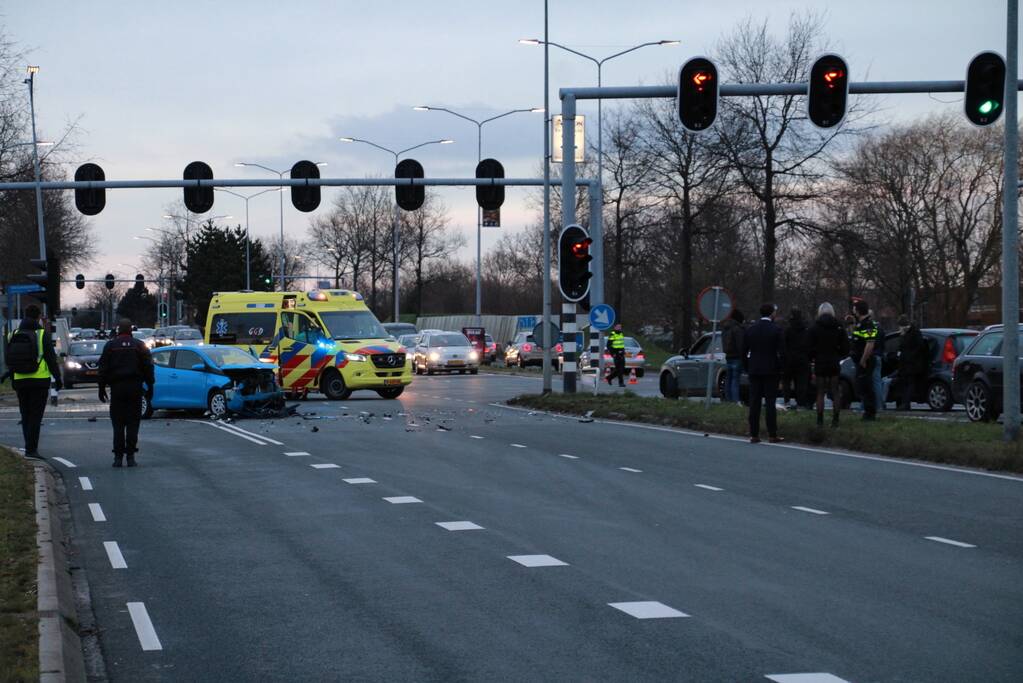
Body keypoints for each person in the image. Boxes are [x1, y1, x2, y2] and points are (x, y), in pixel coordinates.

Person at [2, 305, 62, 459]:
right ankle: (31, 449)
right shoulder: (42, 334)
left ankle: (28, 447)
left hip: (20, 380)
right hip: (39, 381)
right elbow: (51, 359)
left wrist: (9, 375)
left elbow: (10, 359)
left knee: (25, 414)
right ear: (38, 317)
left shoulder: (13, 334)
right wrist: (58, 378)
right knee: (35, 416)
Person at [98, 319, 155, 467]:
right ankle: (130, 456)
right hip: (135, 388)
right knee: (133, 423)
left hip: (117, 389)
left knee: (118, 424)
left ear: (118, 330)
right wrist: (150, 385)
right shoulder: (139, 345)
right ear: (131, 330)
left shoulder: (110, 346)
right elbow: (148, 366)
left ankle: (118, 457)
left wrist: (101, 388)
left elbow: (103, 368)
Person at [743, 303, 785, 444]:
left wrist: (747, 366)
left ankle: (754, 434)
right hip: (771, 370)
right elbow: (782, 352)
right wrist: (780, 368)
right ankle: (772, 434)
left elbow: (744, 351)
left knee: (754, 402)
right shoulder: (776, 330)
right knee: (770, 402)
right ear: (772, 313)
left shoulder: (751, 329)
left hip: (754, 369)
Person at [806, 302, 850, 428]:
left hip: (820, 361)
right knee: (835, 391)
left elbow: (808, 347)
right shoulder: (839, 326)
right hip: (834, 361)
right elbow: (846, 347)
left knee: (820, 392)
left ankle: (820, 421)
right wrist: (839, 354)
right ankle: (835, 420)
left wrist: (813, 357)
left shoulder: (814, 327)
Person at [851, 299, 881, 421]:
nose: (853, 311)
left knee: (867, 387)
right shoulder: (861, 324)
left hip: (865, 362)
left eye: (854, 309)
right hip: (860, 360)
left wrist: (863, 360)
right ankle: (867, 412)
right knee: (862, 386)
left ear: (858, 311)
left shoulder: (868, 325)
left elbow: (870, 344)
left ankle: (870, 413)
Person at [894, 315, 928, 411]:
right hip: (906, 363)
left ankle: (906, 403)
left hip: (912, 363)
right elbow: (902, 347)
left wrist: (909, 356)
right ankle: (904, 403)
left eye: (900, 326)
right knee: (906, 383)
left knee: (909, 383)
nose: (899, 328)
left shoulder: (915, 333)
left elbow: (920, 346)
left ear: (904, 326)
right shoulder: (907, 333)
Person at [782, 308, 811, 409]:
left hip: (789, 360)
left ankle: (787, 401)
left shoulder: (787, 330)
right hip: (802, 359)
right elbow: (808, 345)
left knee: (786, 382)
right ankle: (801, 403)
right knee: (801, 383)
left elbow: (784, 345)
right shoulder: (805, 330)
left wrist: (784, 357)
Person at [721, 308, 745, 403]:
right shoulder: (737, 329)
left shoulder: (725, 328)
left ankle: (728, 399)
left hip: (728, 356)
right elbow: (740, 344)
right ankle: (735, 400)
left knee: (728, 379)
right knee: (735, 380)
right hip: (737, 357)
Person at [605, 323, 627, 387]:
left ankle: (609, 378)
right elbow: (608, 345)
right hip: (616, 354)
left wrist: (623, 350)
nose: (619, 328)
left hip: (621, 353)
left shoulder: (621, 333)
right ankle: (621, 383)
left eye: (620, 327)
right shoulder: (612, 334)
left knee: (620, 369)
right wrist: (613, 354)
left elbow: (621, 344)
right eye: (618, 327)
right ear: (615, 327)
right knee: (620, 369)